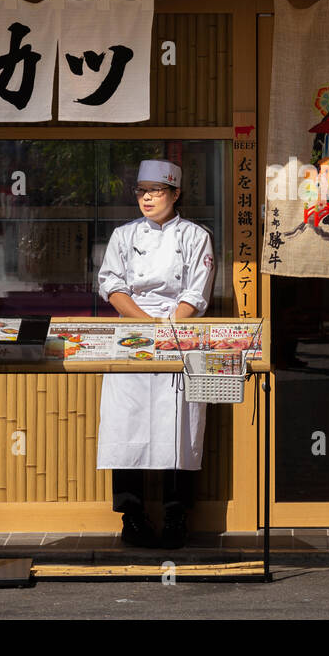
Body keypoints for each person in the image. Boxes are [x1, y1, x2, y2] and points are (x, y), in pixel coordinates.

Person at [97, 159, 214, 549]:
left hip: (180, 333)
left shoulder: (196, 236)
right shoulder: (123, 235)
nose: (147, 198)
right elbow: (112, 284)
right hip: (132, 333)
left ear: (176, 194)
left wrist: (169, 329)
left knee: (180, 428)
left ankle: (176, 515)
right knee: (125, 425)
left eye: (156, 191)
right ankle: (131, 516)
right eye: (141, 191)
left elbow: (196, 292)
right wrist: (146, 326)